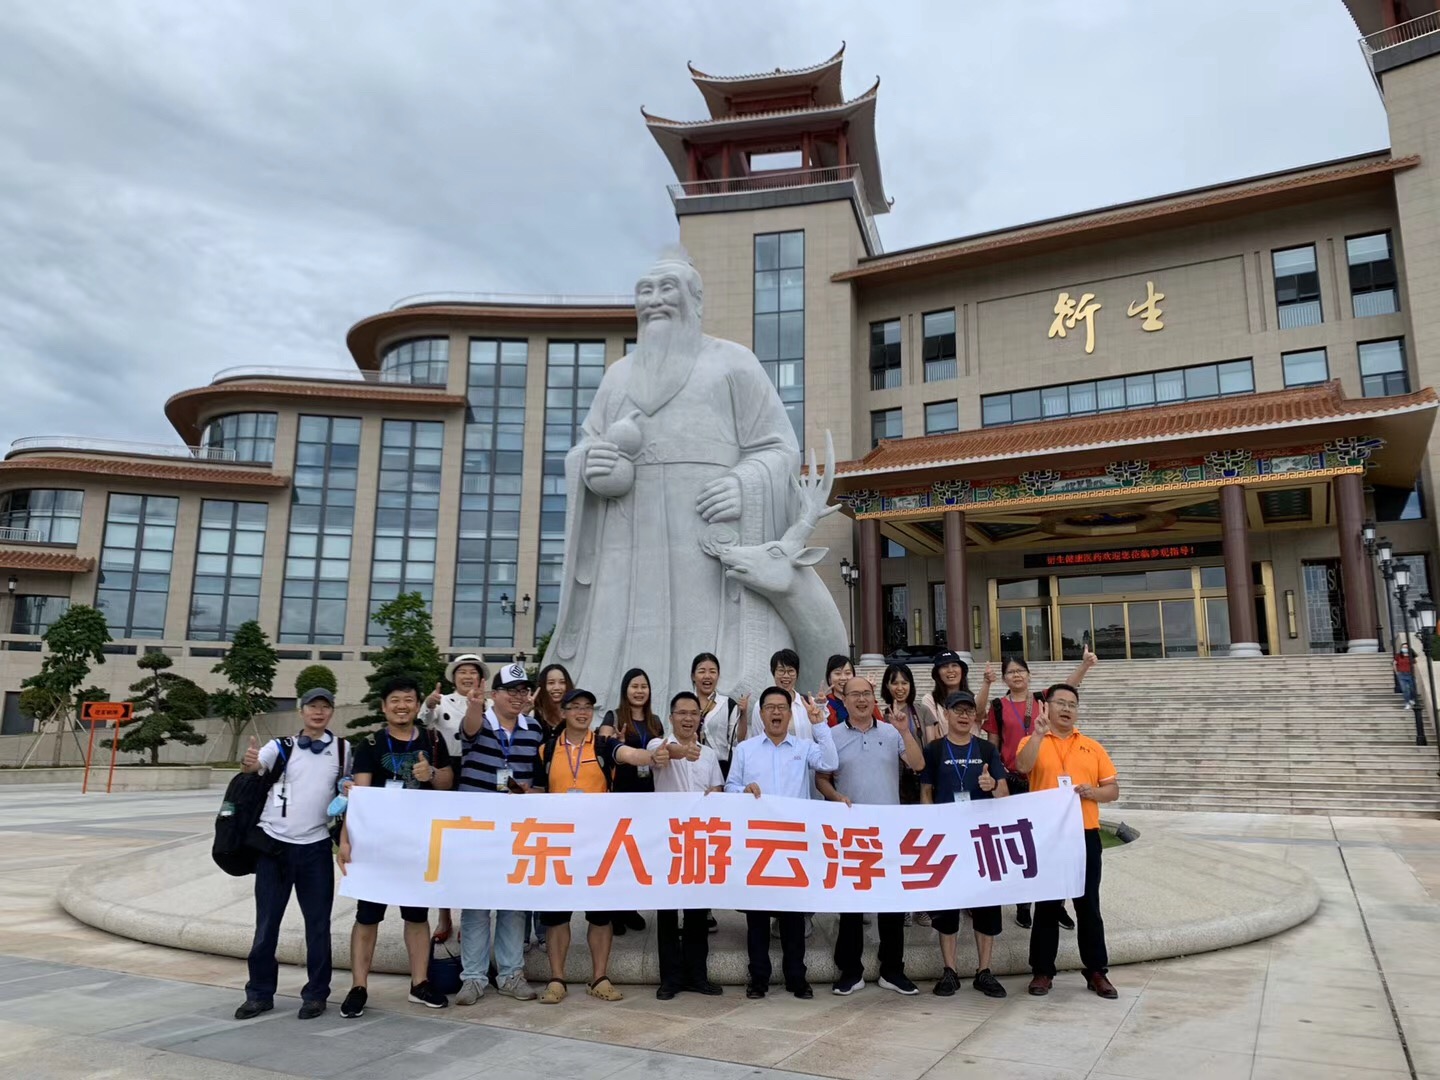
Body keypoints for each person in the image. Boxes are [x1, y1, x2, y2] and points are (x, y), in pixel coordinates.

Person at [546, 250, 800, 712]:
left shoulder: (734, 363)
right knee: (627, 647)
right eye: (645, 291)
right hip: (630, 542)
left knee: (706, 646)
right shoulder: (617, 377)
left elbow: (781, 449)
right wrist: (592, 465)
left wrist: (744, 483)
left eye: (668, 289)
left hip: (705, 536)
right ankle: (622, 716)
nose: (655, 300)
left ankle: (716, 716)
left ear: (695, 300)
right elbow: (587, 445)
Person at [532, 687, 659, 1005]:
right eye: (575, 706)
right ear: (563, 712)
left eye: (587, 707)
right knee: (557, 916)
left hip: (598, 843)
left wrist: (651, 756)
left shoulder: (603, 745)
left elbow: (628, 755)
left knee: (601, 915)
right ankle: (557, 979)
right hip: (559, 844)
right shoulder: (547, 749)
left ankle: (599, 978)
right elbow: (537, 792)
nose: (582, 712)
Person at [337, 676, 454, 1018]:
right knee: (367, 916)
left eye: (408, 700)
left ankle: (420, 983)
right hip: (376, 846)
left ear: (417, 705)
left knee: (416, 915)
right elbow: (358, 797)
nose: (402, 706)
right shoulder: (370, 745)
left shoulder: (433, 739)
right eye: (395, 701)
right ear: (383, 706)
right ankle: (359, 986)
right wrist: (345, 839)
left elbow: (448, 782)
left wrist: (431, 773)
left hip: (418, 844)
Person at [234, 688, 347, 1021]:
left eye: (325, 706)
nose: (318, 712)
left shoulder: (343, 749)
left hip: (316, 847)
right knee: (267, 924)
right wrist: (250, 763)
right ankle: (259, 993)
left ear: (331, 712)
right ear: (301, 711)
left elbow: (350, 786)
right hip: (274, 847)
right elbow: (255, 767)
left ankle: (316, 994)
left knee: (318, 926)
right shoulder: (280, 746)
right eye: (312, 706)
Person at [816, 676, 925, 997]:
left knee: (892, 903)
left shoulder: (891, 732)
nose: (861, 699)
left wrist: (905, 731)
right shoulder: (833, 735)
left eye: (866, 694)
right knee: (851, 905)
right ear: (844, 699)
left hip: (888, 830)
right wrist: (835, 796)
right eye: (855, 695)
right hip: (850, 831)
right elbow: (822, 778)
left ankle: (893, 970)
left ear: (874, 698)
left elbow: (918, 764)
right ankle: (850, 971)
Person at [725, 686, 836, 999]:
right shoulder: (745, 749)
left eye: (782, 707)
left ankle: (796, 977)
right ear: (761, 714)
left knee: (793, 915)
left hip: (793, 843)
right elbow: (730, 786)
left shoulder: (804, 747)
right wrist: (744, 790)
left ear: (789, 713)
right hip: (758, 842)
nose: (776, 712)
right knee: (757, 915)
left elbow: (830, 762)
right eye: (770, 707)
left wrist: (819, 724)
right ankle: (758, 977)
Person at [977, 649, 1096, 930]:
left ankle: (1057, 905)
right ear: (1004, 678)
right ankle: (1023, 904)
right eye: (1010, 672)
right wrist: (996, 775)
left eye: (1020, 670)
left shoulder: (1043, 699)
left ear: (1029, 674)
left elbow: (1067, 688)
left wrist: (1085, 665)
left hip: (1044, 779)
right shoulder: (998, 706)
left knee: (1053, 842)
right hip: (1014, 779)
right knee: (1023, 844)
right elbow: (993, 744)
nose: (1016, 675)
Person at [1016, 684, 1120, 999]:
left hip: (1085, 833)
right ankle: (1042, 971)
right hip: (1047, 834)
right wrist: (1037, 735)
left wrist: (1094, 792)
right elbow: (1022, 767)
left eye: (1072, 704)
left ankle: (1097, 970)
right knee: (1047, 905)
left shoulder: (1092, 746)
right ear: (1046, 707)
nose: (1066, 709)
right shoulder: (1031, 741)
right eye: (1060, 703)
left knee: (1088, 905)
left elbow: (1112, 790)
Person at [451, 662, 542, 1005]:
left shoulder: (533, 729)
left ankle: (510, 974)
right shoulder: (480, 721)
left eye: (523, 691)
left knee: (513, 904)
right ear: (495, 694)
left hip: (516, 829)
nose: (518, 697)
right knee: (476, 905)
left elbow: (537, 777)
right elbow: (469, 730)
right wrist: (475, 705)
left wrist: (531, 792)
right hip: (477, 828)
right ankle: (473, 977)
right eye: (511, 691)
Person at [920, 689, 1010, 1000]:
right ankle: (950, 970)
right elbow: (926, 791)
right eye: (957, 710)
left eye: (969, 710)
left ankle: (985, 971)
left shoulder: (986, 749)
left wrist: (991, 785)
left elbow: (1004, 794)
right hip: (947, 838)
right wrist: (931, 826)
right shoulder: (934, 750)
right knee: (947, 906)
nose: (963, 715)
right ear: (945, 714)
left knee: (986, 905)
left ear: (975, 716)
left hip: (981, 837)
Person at [647, 691, 725, 999]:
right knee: (667, 912)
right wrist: (682, 752)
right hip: (667, 840)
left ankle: (697, 975)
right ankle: (670, 978)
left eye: (694, 713)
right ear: (671, 717)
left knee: (696, 912)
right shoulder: (659, 745)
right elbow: (664, 753)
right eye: (682, 713)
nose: (688, 718)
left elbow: (717, 790)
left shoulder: (709, 755)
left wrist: (714, 797)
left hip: (699, 840)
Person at [418, 654, 489, 945]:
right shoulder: (442, 701)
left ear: (481, 678)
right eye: (462, 672)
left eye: (473, 672)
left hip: (479, 772)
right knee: (444, 847)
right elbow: (424, 721)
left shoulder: (489, 704)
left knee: (473, 846)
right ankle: (444, 915)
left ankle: (471, 915)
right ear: (454, 677)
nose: (468, 676)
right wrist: (428, 704)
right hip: (447, 772)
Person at [598, 668, 664, 936]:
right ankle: (614, 909)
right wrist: (615, 741)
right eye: (634, 686)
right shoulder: (614, 716)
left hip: (647, 793)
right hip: (621, 792)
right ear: (625, 690)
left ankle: (630, 907)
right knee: (619, 852)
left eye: (643, 686)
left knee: (638, 853)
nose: (639, 691)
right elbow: (602, 743)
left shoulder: (655, 721)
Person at [692, 652, 748, 780]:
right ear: (693, 676)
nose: (707, 676)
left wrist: (743, 714)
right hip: (691, 765)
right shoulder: (685, 703)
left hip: (721, 769)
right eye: (702, 671)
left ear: (718, 676)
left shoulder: (728, 704)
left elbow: (738, 739)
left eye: (712, 671)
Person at [918, 651, 970, 733]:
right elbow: (934, 734)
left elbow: (980, 714)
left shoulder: (973, 699)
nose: (950, 670)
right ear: (937, 673)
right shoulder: (930, 700)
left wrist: (986, 683)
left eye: (954, 665)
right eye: (945, 666)